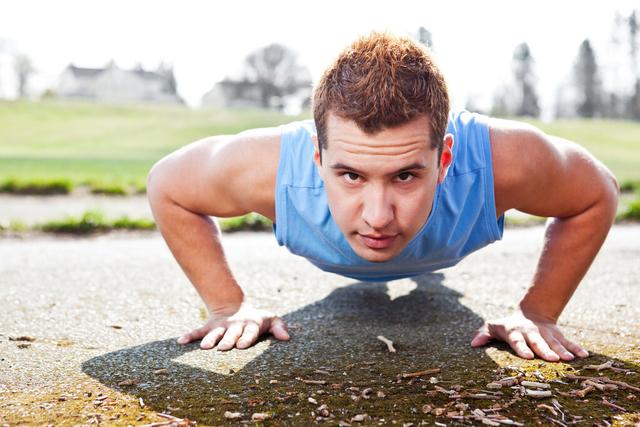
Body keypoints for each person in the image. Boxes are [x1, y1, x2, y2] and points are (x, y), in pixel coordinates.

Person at [147, 32, 619, 362]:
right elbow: (166, 184)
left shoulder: (505, 162)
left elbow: (597, 193)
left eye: (406, 176)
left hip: (443, 251)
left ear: (445, 158)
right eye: (351, 175)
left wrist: (538, 312)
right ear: (316, 157)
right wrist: (228, 306)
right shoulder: (265, 169)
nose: (378, 217)